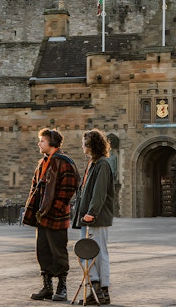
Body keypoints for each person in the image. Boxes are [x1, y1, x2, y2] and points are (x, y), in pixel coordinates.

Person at [23, 128, 79, 302]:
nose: (39, 143)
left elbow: (68, 189)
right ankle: (47, 287)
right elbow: (35, 187)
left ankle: (62, 288)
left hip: (56, 216)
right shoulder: (43, 162)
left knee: (58, 252)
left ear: (52, 142)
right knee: (43, 251)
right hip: (42, 215)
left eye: (42, 141)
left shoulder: (65, 162)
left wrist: (54, 209)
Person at [72, 128, 115, 305]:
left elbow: (99, 192)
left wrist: (92, 213)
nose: (82, 146)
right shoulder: (93, 163)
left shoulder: (102, 164)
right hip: (87, 217)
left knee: (97, 253)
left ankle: (100, 290)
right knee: (87, 253)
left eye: (84, 143)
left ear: (91, 145)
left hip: (95, 217)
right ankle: (98, 290)